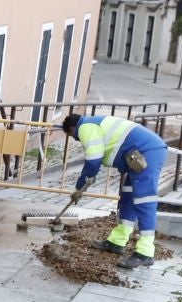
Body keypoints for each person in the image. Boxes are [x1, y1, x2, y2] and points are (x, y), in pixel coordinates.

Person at [60, 112, 167, 269]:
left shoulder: (85, 128)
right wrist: (85, 183)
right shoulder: (93, 122)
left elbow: (93, 159)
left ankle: (145, 252)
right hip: (137, 154)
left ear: (71, 128)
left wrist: (80, 187)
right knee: (128, 198)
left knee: (145, 200)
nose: (76, 139)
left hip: (147, 152)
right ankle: (117, 242)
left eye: (72, 135)